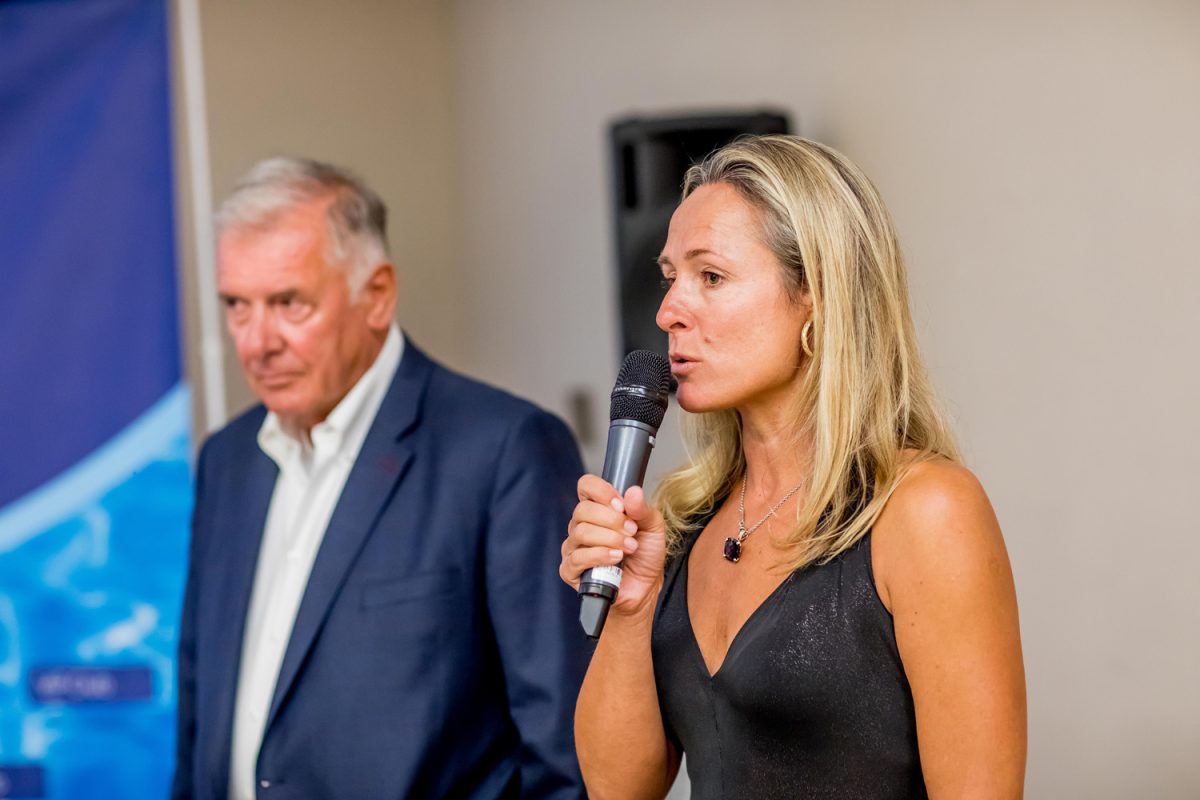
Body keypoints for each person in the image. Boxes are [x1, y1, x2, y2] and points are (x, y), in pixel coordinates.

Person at [560, 135, 1026, 799]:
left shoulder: (925, 511)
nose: (667, 312)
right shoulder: (683, 521)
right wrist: (631, 610)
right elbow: (617, 790)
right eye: (670, 278)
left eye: (710, 277)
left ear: (816, 293)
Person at [173, 157, 589, 799]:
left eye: (289, 303)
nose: (257, 343)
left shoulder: (503, 451)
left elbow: (566, 753)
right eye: (237, 306)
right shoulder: (227, 460)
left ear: (377, 294)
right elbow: (199, 711)